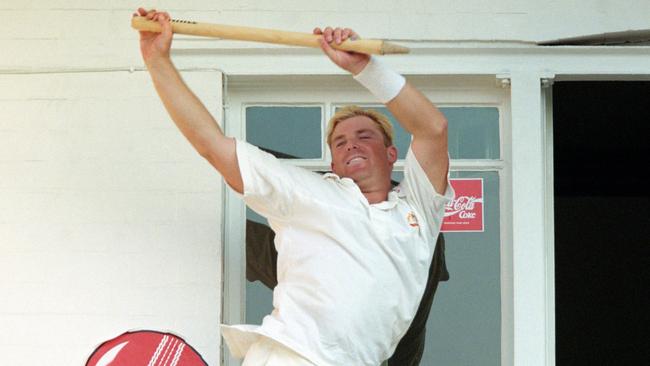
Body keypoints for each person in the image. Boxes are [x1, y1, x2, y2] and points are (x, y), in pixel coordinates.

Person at [135, 7, 454, 366]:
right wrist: (157, 59)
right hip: (293, 356)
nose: (352, 144)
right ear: (333, 164)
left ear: (391, 153)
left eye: (365, 136)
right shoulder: (305, 193)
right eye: (340, 142)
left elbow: (433, 128)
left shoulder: (419, 212)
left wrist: (364, 68)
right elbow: (211, 145)